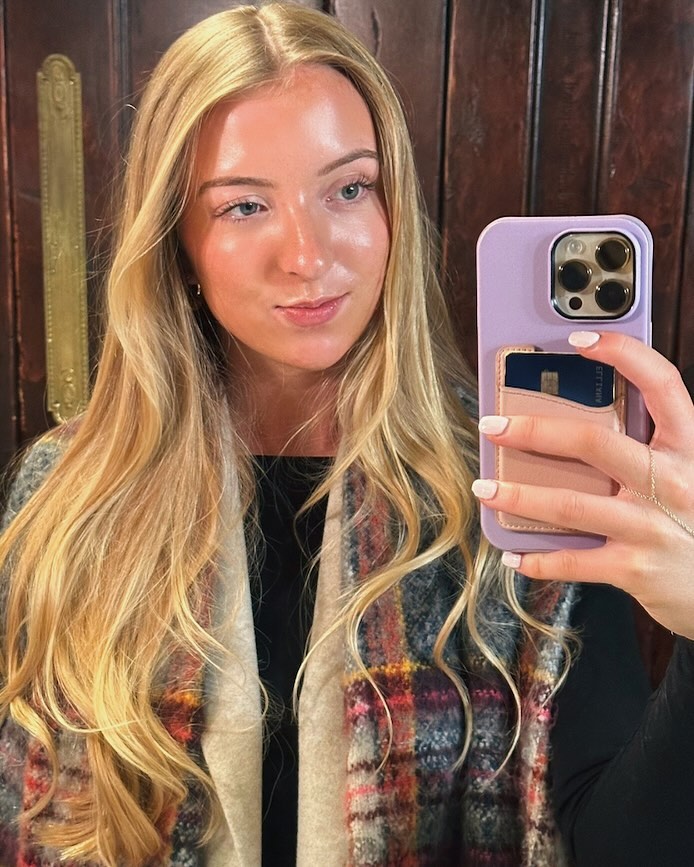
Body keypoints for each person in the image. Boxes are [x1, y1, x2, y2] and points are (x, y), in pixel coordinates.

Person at [1, 4, 693, 866]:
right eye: (244, 205)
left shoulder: (526, 488)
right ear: (177, 239)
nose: (307, 253)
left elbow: (619, 847)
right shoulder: (70, 494)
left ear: (393, 207)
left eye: (349, 188)